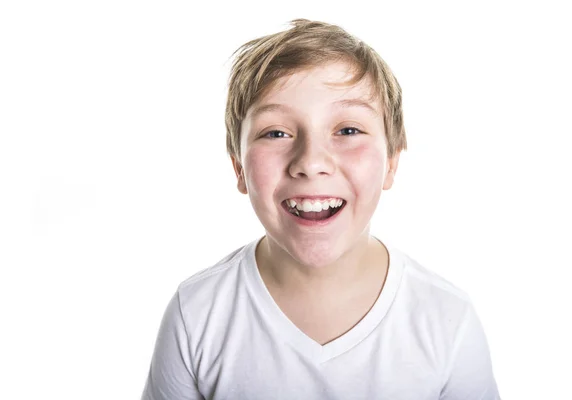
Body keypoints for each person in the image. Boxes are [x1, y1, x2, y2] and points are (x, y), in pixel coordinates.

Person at [141, 18, 500, 400]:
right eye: (276, 133)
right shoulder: (196, 314)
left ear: (391, 162)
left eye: (347, 130)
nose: (311, 162)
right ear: (239, 168)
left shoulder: (447, 320)